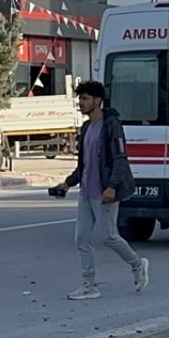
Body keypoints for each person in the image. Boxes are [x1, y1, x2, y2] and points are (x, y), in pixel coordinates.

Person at [52, 80, 149, 300]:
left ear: (97, 100)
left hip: (105, 192)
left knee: (108, 236)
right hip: (87, 192)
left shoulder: (111, 125)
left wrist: (112, 187)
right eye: (80, 98)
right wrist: (68, 183)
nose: (81, 103)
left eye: (85, 98)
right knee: (82, 238)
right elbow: (83, 164)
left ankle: (137, 265)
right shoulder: (86, 128)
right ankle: (89, 285)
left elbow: (120, 159)